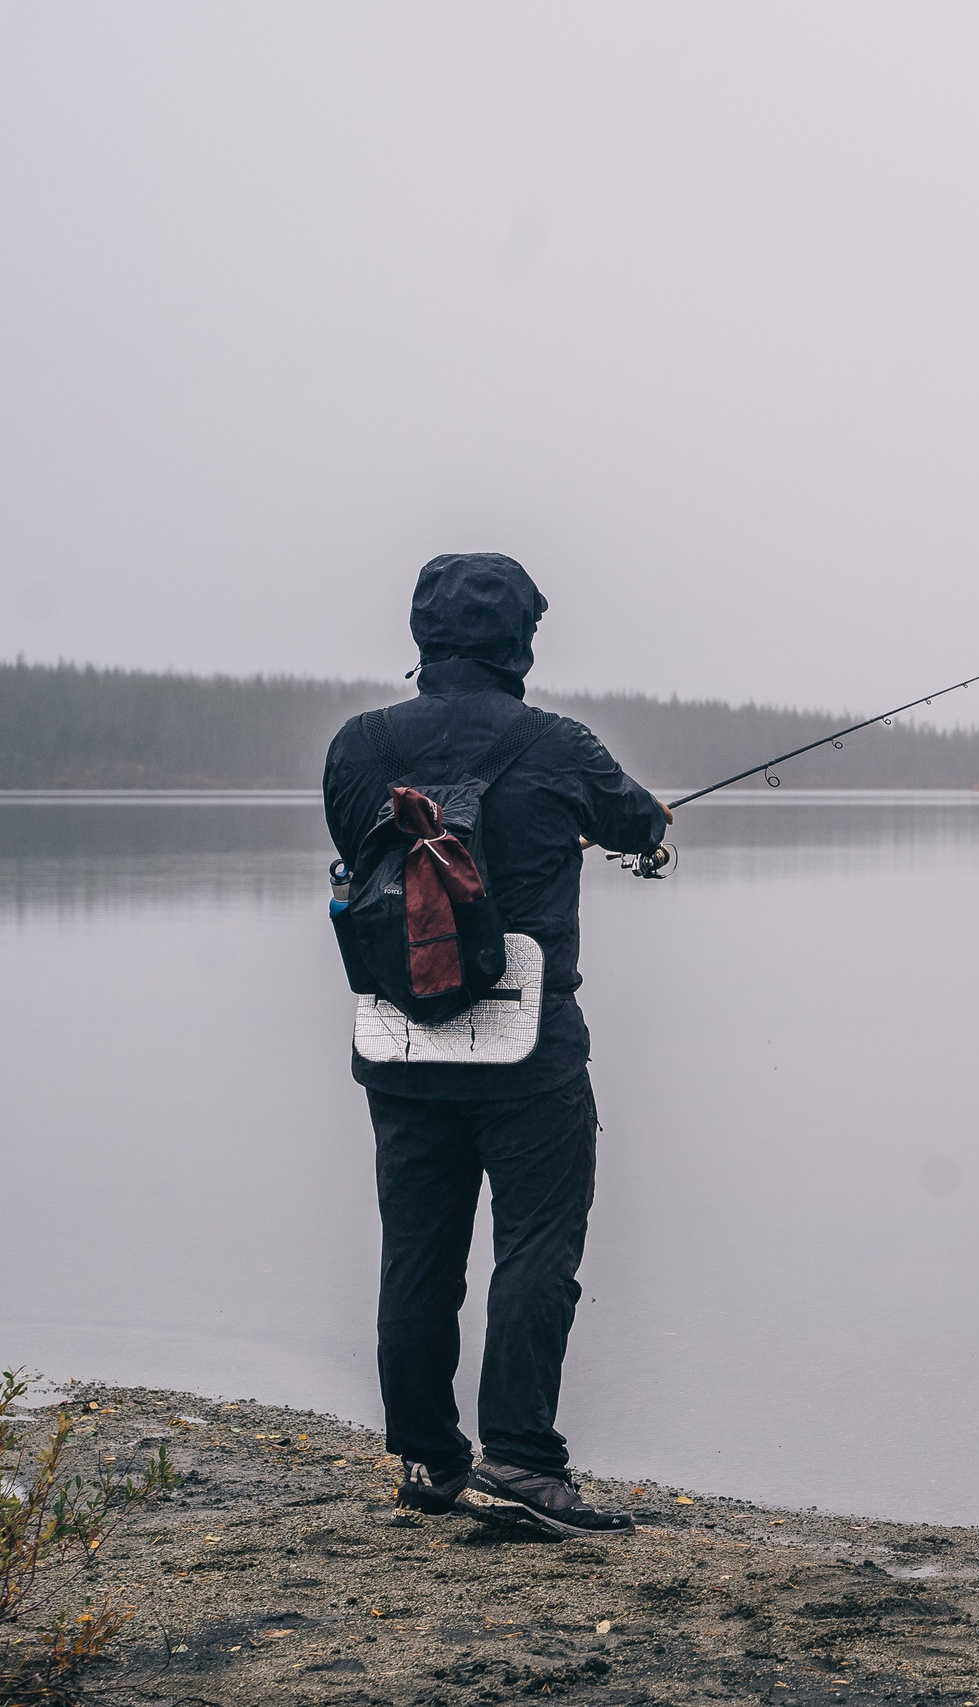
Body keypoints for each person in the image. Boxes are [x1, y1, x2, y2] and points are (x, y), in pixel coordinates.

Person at [322, 552, 668, 1538]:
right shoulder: (556, 745)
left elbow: (364, 855)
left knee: (418, 1251)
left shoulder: (355, 747)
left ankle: (431, 1459)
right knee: (535, 1247)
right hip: (529, 1046)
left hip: (399, 1035)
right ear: (520, 641)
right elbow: (637, 821)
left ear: (423, 636)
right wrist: (646, 833)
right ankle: (520, 1458)